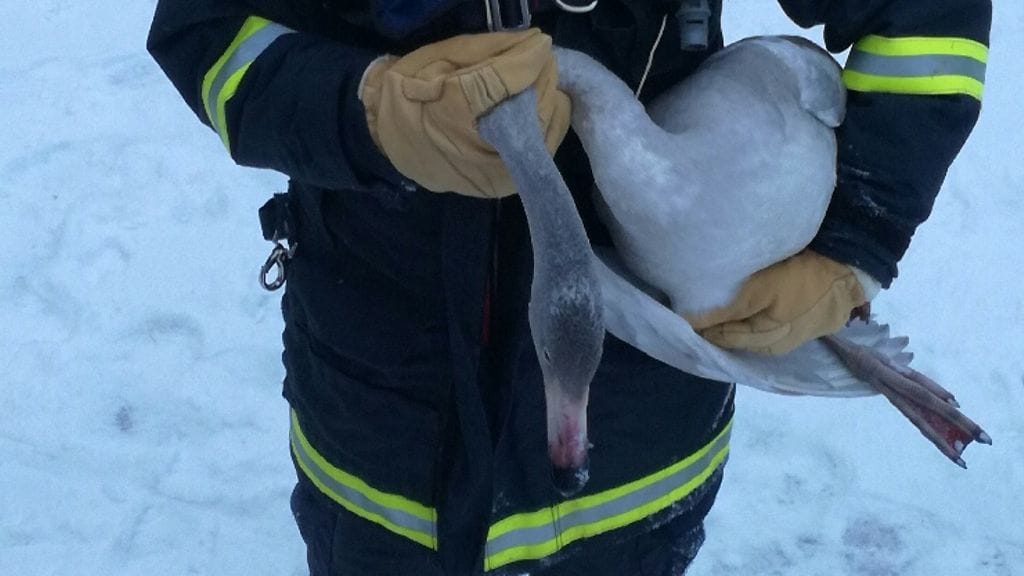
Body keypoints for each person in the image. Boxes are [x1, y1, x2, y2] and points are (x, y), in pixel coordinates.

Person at [147, 0, 991, 574]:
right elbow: (208, 32)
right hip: (377, 441)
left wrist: (859, 236)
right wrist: (365, 112)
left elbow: (929, 20)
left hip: (640, 467)